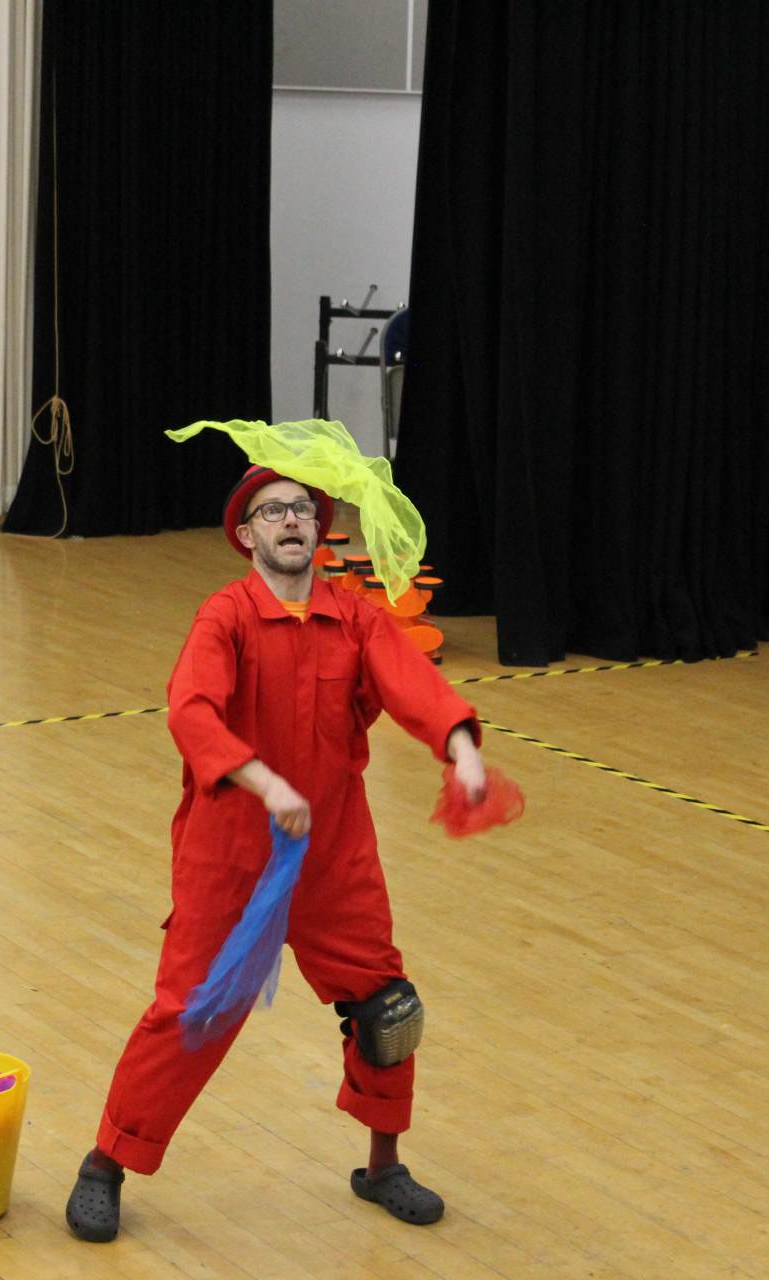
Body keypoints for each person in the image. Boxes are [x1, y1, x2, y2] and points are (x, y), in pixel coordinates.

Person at [66, 465, 490, 1243]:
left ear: (317, 531)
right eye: (273, 512)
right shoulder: (224, 618)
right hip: (230, 859)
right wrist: (263, 783)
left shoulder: (355, 619)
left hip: (333, 859)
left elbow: (413, 685)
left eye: (302, 510)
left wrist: (460, 749)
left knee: (388, 1010)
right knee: (189, 1014)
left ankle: (383, 1166)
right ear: (246, 535)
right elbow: (191, 711)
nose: (291, 521)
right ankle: (107, 1162)